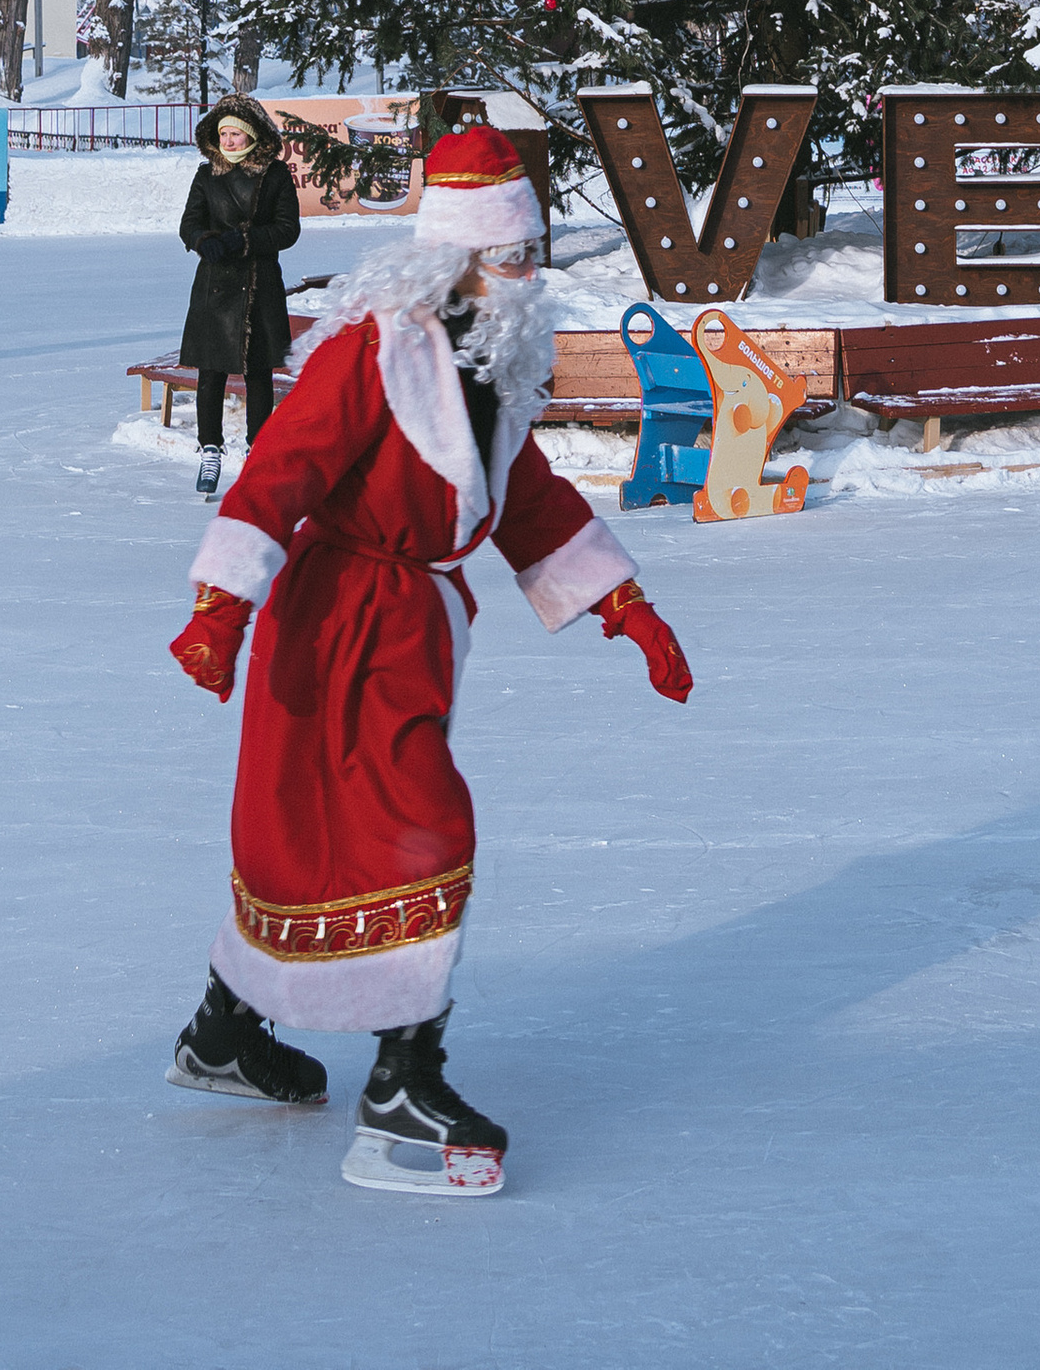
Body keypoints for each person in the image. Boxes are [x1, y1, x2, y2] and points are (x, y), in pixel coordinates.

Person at [163, 120, 691, 1193]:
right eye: (510, 257)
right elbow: (282, 467)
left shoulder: (488, 355)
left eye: (532, 254)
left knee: (307, 837)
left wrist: (622, 604)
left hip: (410, 627)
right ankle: (406, 1080)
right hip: (339, 623)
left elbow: (523, 495)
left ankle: (222, 1034)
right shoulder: (377, 347)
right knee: (413, 829)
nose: (526, 275)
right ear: (453, 255)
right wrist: (222, 607)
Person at [178, 91, 304, 499]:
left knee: (257, 372)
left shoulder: (275, 175)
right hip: (215, 286)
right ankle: (210, 449)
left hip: (258, 283)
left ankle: (259, 452)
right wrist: (203, 240)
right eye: (223, 134)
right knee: (210, 372)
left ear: (251, 135)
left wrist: (243, 240)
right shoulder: (206, 174)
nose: (229, 141)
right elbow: (189, 223)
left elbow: (288, 230)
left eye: (235, 134)